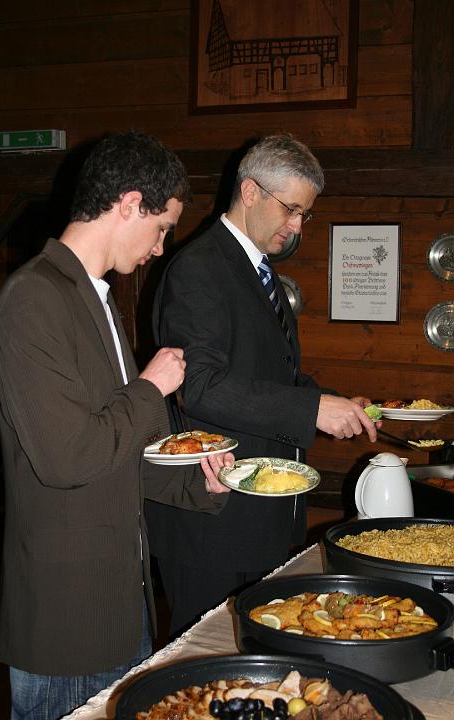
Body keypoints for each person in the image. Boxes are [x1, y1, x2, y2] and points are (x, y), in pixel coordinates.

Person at [0, 129, 233, 720]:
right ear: (128, 204)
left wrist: (201, 482)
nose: (159, 247)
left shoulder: (97, 298)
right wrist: (150, 387)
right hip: (66, 624)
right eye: (162, 228)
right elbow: (68, 458)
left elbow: (120, 451)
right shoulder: (33, 296)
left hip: (125, 607)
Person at [145, 133, 379, 636]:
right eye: (291, 210)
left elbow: (270, 374)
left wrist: (331, 402)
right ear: (249, 192)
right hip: (214, 524)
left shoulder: (258, 270)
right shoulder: (198, 268)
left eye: (304, 214)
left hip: (258, 518)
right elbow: (200, 386)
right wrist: (312, 410)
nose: (297, 227)